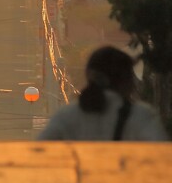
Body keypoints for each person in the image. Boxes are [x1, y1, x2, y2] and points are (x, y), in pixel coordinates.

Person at [38, 46, 169, 141]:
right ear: (125, 81)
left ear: (88, 76)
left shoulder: (65, 117)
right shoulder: (141, 116)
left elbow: (39, 154)